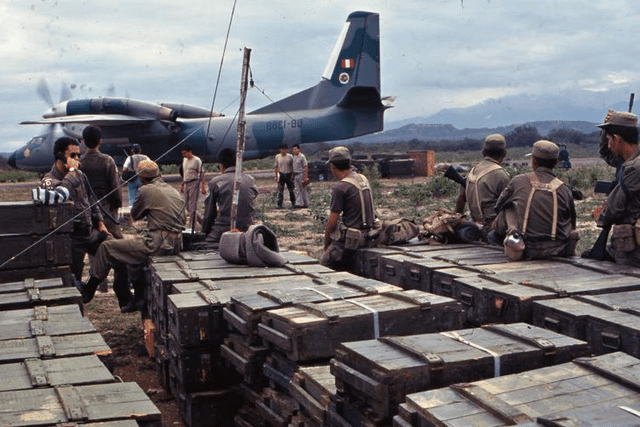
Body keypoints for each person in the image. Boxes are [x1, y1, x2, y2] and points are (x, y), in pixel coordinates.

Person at [79, 159, 186, 312]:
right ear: (158, 174)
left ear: (141, 178)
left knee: (107, 247)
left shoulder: (145, 190)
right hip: (175, 242)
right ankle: (138, 300)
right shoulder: (172, 190)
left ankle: (88, 289)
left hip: (157, 243)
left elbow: (135, 214)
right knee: (132, 257)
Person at [491, 140, 578, 260]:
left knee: (508, 207)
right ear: (555, 163)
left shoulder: (518, 181)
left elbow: (498, 206)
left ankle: (509, 243)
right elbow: (572, 222)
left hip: (526, 248)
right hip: (556, 250)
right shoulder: (564, 189)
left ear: (534, 161)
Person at [41, 137, 109, 282]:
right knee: (74, 276)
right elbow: (59, 194)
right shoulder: (49, 180)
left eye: (79, 155)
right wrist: (72, 173)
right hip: (71, 238)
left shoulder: (80, 176)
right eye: (72, 155)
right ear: (60, 155)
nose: (77, 159)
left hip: (89, 232)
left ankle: (91, 288)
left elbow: (91, 200)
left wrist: (100, 223)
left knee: (116, 254)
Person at [79, 125, 129, 300]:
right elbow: (116, 188)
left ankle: (101, 285)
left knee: (95, 248)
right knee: (116, 247)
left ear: (84, 141)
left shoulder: (80, 162)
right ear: (100, 141)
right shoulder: (107, 161)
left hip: (87, 212)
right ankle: (125, 279)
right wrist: (116, 206)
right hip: (107, 210)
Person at [594, 110, 640, 266]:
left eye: (609, 139)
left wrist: (601, 216)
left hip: (632, 251)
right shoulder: (632, 161)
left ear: (618, 139)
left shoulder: (634, 168)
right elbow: (608, 153)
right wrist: (607, 130)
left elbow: (613, 209)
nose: (608, 144)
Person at [321, 146, 377, 269]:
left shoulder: (340, 187)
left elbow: (331, 223)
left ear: (333, 167)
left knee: (324, 266)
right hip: (370, 235)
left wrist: (327, 246)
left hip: (353, 240)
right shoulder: (363, 178)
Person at [455, 134, 510, 236]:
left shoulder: (472, 171)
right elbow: (509, 207)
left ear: (483, 152)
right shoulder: (501, 174)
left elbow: (460, 200)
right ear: (504, 153)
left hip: (475, 224)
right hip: (492, 229)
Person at [202, 148, 258, 245]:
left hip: (224, 227)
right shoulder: (250, 180)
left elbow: (209, 213)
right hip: (247, 228)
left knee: (206, 244)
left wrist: (205, 232)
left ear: (221, 166)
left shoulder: (216, 181)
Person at [180, 144, 206, 228]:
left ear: (190, 152)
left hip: (194, 183)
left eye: (185, 153)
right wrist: (182, 185)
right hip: (186, 183)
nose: (184, 155)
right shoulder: (184, 160)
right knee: (187, 205)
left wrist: (203, 187)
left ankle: (192, 225)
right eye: (183, 154)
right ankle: (202, 221)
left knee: (193, 205)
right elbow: (185, 174)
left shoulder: (197, 160)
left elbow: (202, 174)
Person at [273, 145, 295, 209]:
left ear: (286, 150)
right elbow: (276, 167)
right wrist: (276, 175)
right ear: (280, 150)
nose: (283, 151)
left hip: (288, 174)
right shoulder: (277, 157)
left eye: (284, 149)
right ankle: (279, 205)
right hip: (281, 174)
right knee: (280, 190)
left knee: (291, 190)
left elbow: (293, 166)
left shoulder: (290, 156)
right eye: (282, 149)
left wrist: (293, 175)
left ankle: (293, 203)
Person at [292, 143, 310, 208]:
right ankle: (299, 203)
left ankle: (306, 203)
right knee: (297, 189)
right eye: (293, 149)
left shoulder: (302, 156)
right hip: (296, 174)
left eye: (295, 149)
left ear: (298, 149)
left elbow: (305, 167)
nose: (294, 151)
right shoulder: (294, 157)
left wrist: (305, 177)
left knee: (303, 189)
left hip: (301, 174)